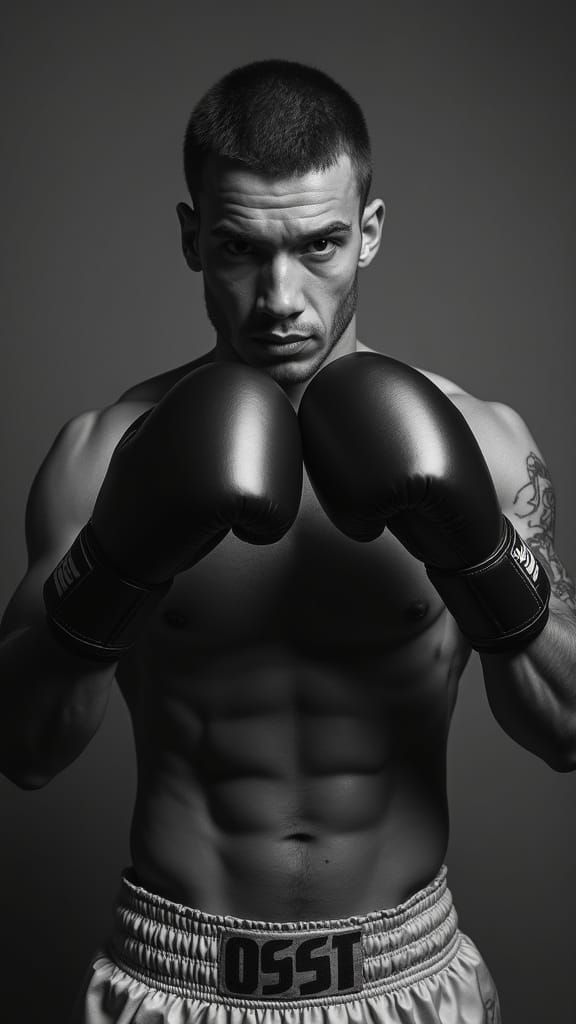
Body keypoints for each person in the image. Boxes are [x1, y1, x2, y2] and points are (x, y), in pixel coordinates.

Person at [1, 59, 575, 1024]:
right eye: (239, 249)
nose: (280, 297)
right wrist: (120, 560)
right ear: (193, 239)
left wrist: (478, 552)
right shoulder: (103, 455)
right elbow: (24, 751)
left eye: (320, 246)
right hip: (176, 978)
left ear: (371, 233)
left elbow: (565, 731)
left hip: (409, 974)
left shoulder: (485, 443)